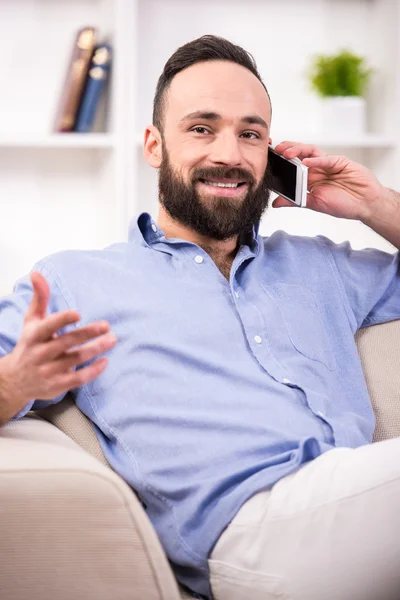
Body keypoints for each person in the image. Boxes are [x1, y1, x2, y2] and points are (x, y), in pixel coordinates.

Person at [1, 34, 400, 600]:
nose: (229, 155)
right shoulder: (75, 282)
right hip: (248, 540)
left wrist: (377, 205)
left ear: (273, 157)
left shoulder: (322, 266)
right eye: (201, 128)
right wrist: (17, 382)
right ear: (154, 145)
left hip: (360, 502)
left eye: (251, 134)